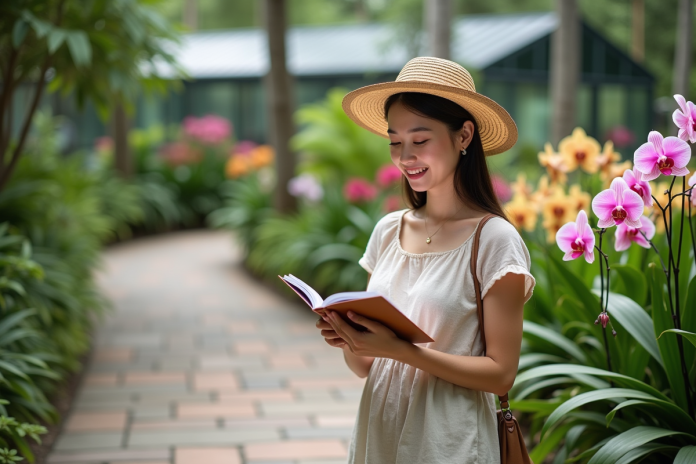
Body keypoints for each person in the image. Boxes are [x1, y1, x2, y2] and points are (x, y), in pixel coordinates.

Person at [315, 57, 536, 463]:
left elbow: (501, 373)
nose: (405, 157)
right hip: (379, 428)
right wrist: (350, 338)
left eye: (420, 140)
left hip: (449, 440)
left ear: (464, 135)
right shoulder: (387, 230)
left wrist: (402, 351)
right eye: (395, 142)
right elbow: (365, 366)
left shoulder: (494, 240)